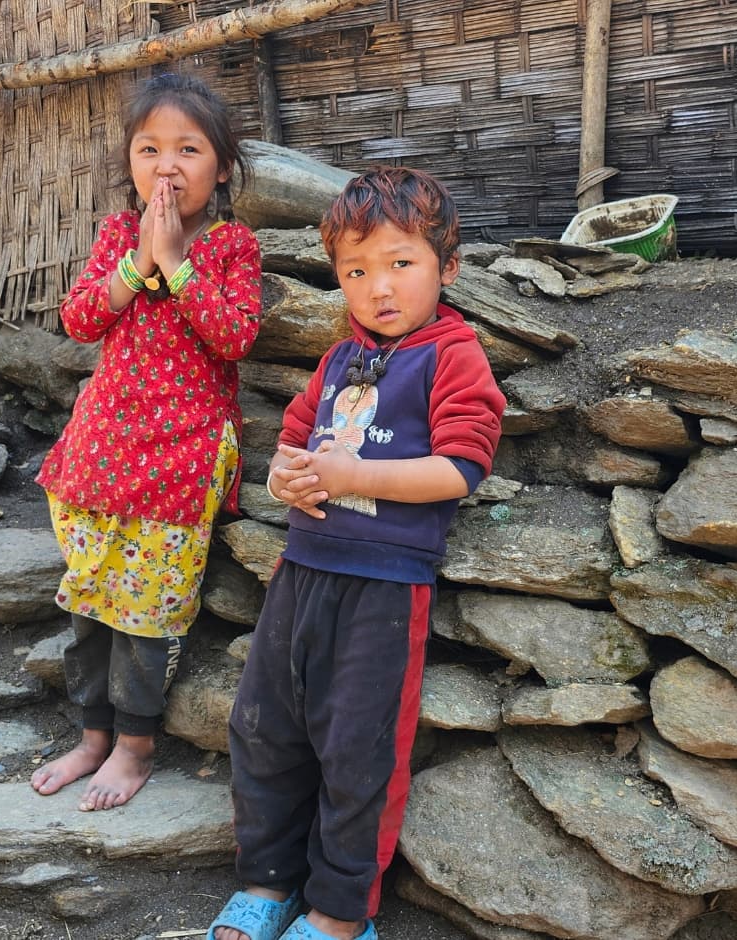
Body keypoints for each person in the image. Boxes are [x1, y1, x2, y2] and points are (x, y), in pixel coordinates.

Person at [208, 167, 505, 940]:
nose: (379, 287)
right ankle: (267, 884)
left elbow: (461, 468)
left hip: (382, 587)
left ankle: (339, 915)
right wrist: (286, 478)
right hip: (301, 574)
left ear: (448, 264)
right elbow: (294, 443)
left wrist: (353, 476)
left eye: (401, 263)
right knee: (263, 728)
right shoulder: (341, 359)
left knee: (358, 750)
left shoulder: (452, 354)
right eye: (356, 270)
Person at [30, 72, 264, 812]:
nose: (167, 166)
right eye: (150, 148)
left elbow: (235, 336)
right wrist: (137, 263)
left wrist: (177, 265)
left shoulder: (232, 247)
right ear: (130, 162)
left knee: (148, 608)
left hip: (181, 458)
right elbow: (78, 319)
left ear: (221, 167)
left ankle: (133, 747)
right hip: (101, 451)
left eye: (188, 149)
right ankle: (91, 736)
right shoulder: (113, 237)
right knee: (91, 596)